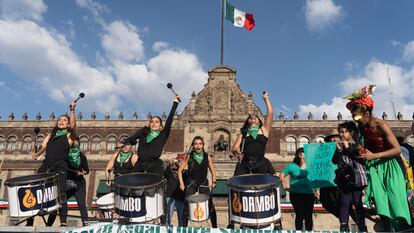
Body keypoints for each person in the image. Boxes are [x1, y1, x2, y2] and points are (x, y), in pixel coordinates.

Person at [346, 87, 411, 231]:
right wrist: (357, 147)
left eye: (356, 116)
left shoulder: (381, 125)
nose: (355, 119)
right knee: (381, 203)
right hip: (375, 167)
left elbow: (397, 149)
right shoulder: (362, 129)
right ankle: (388, 229)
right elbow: (366, 149)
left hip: (390, 165)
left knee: (396, 200)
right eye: (353, 116)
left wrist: (374, 155)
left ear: (367, 113)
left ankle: (405, 228)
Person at [27, 100, 77, 226]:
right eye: (59, 120)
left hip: (60, 166)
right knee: (34, 190)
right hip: (46, 165)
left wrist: (72, 111)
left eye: (64, 120)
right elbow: (43, 146)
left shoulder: (69, 135)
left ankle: (63, 223)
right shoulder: (51, 134)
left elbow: (73, 126)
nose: (61, 121)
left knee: (60, 194)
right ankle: (29, 222)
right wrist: (37, 153)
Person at [120, 95, 180, 176]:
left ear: (161, 126)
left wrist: (175, 103)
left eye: (157, 122)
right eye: (152, 122)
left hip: (155, 165)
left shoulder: (163, 134)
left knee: (157, 185)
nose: (154, 123)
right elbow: (131, 139)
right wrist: (128, 142)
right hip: (140, 164)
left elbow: (169, 120)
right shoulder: (144, 131)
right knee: (133, 184)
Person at [333, 121, 367, 232]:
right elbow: (334, 161)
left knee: (357, 202)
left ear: (351, 133)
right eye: (340, 132)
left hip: (356, 178)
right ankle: (343, 226)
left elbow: (362, 157)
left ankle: (362, 226)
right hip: (344, 179)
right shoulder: (340, 147)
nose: (341, 134)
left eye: (344, 132)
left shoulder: (358, 144)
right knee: (344, 202)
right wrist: (339, 150)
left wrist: (348, 148)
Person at [178, 136, 217, 227]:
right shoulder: (188, 156)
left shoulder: (207, 157)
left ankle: (215, 227)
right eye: (195, 144)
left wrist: (214, 181)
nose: (198, 146)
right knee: (186, 206)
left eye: (200, 144)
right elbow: (179, 170)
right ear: (193, 145)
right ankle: (184, 228)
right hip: (191, 183)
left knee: (210, 206)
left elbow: (213, 171)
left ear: (203, 145)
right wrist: (181, 183)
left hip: (203, 184)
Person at [231, 91, 274, 175]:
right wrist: (237, 152)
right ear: (248, 121)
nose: (253, 119)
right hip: (244, 163)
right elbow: (234, 148)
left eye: (255, 118)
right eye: (250, 118)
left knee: (261, 185)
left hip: (260, 163)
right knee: (240, 185)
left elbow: (270, 113)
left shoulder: (264, 130)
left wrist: (266, 99)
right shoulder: (243, 133)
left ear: (259, 121)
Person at [280, 148, 315, 231]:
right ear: (300, 155)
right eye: (305, 153)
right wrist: (285, 187)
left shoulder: (311, 166)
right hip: (296, 194)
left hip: (309, 194)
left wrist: (317, 191)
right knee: (299, 215)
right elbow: (281, 175)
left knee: (308, 216)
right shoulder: (292, 166)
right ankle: (298, 231)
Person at [60, 136, 89, 227]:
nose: (76, 144)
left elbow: (87, 170)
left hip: (79, 183)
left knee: (82, 204)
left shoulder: (82, 156)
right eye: (74, 143)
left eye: (77, 143)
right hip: (67, 182)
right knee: (63, 202)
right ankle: (63, 223)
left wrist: (82, 172)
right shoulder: (65, 156)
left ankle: (85, 223)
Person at [164, 154, 186, 226]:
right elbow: (165, 175)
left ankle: (181, 230)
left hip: (181, 196)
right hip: (170, 195)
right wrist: (169, 165)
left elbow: (188, 178)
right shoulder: (171, 170)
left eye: (180, 160)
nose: (178, 162)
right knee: (168, 216)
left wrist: (183, 167)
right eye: (177, 160)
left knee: (181, 217)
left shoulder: (184, 172)